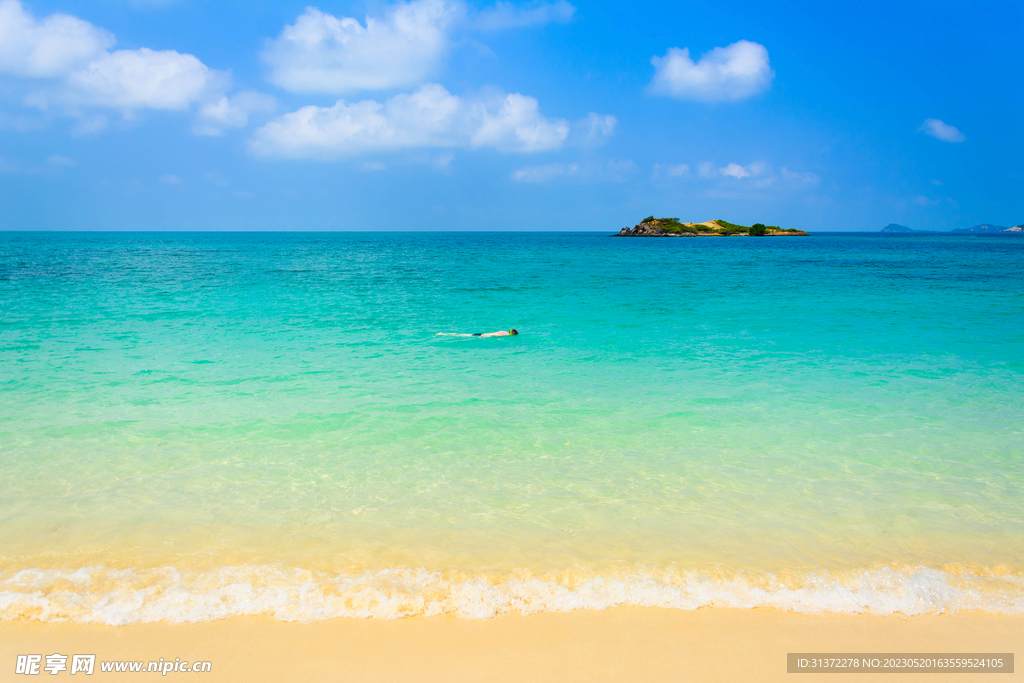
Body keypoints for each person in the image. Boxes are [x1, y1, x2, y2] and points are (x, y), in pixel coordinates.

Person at [437, 329, 519, 337]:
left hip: (483, 333)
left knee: (465, 335)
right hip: (485, 335)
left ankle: (443, 334)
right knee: (465, 336)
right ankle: (443, 334)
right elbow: (495, 336)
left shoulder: (503, 331)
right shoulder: (505, 334)